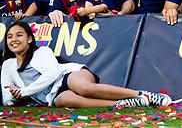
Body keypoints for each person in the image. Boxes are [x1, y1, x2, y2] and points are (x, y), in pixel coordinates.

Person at [1, 21, 171, 108]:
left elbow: (52, 75)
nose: (14, 40)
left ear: (30, 39)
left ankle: (145, 95)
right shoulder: (8, 65)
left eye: (19, 35)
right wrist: (15, 96)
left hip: (68, 76)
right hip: (52, 96)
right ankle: (123, 104)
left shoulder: (42, 52)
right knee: (64, 100)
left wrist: (23, 92)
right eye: (9, 37)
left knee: (83, 88)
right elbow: (6, 96)